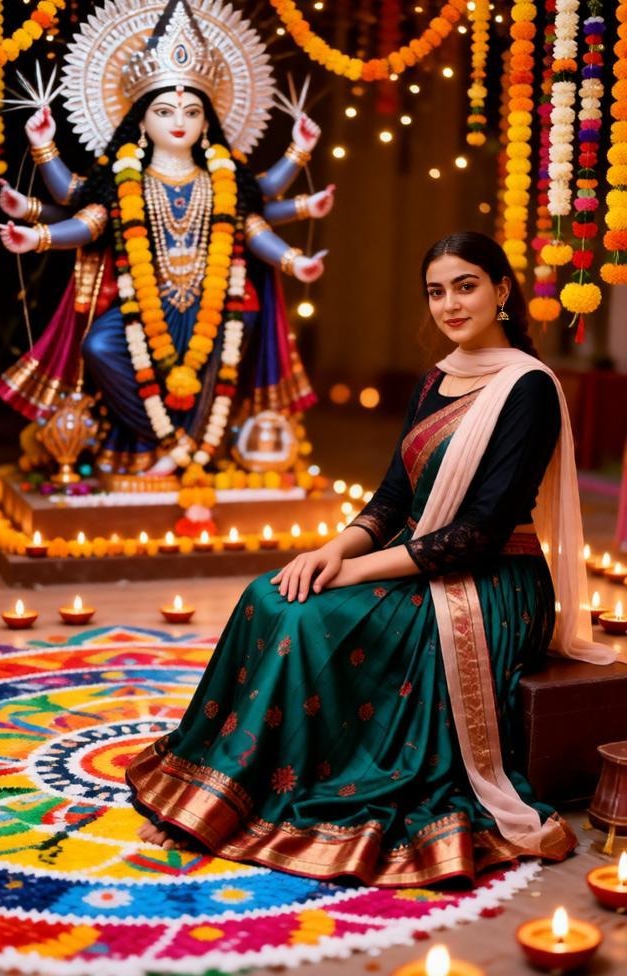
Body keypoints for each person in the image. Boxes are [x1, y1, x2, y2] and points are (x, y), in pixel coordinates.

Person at [126, 231, 615, 885]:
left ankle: (297, 801)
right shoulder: (436, 377)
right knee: (270, 595)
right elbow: (391, 498)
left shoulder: (527, 388)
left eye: (465, 286)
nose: (449, 304)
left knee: (312, 618)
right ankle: (225, 786)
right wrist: (329, 551)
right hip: (413, 554)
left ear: (501, 290)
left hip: (492, 580)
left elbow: (477, 534)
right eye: (436, 291)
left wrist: (354, 571)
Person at [0, 0, 334, 477]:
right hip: (144, 300)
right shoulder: (126, 177)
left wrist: (297, 261)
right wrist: (39, 223)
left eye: (193, 111)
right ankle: (173, 445)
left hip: (215, 301)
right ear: (141, 119)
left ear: (206, 121)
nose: (180, 120)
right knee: (101, 349)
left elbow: (255, 224)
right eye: (166, 109)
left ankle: (190, 450)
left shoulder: (222, 180)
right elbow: (88, 220)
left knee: (224, 353)